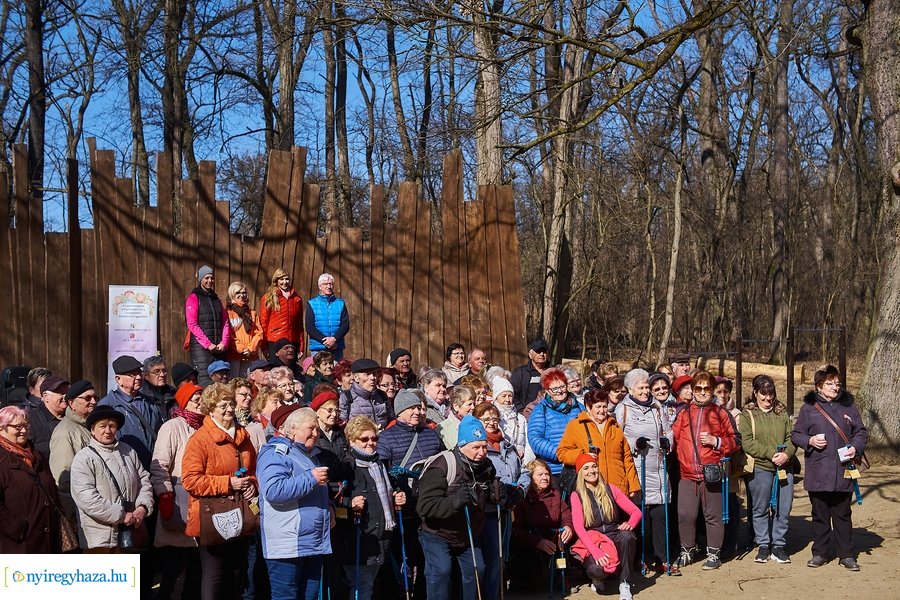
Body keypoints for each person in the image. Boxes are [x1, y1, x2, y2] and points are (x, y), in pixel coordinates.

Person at [181, 383, 259, 600]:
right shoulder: (200, 440)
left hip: (241, 513)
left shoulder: (243, 436)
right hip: (211, 515)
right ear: (210, 409)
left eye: (231, 404)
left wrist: (252, 484)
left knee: (237, 574)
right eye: (223, 405)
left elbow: (253, 471)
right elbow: (191, 481)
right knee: (214, 576)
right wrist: (228, 483)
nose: (229, 409)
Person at [791, 365, 869, 571]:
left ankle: (846, 554)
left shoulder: (848, 407)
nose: (835, 387)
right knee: (820, 515)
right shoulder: (808, 408)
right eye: (829, 383)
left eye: (837, 383)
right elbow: (796, 434)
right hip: (818, 472)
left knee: (843, 515)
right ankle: (820, 553)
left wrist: (855, 447)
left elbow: (861, 431)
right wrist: (810, 440)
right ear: (818, 387)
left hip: (844, 470)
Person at [417, 415, 500, 600]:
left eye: (484, 446)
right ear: (462, 446)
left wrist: (501, 495)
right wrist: (453, 502)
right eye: (475, 447)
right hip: (437, 532)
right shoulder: (442, 465)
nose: (481, 452)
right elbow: (424, 507)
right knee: (441, 571)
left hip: (468, 532)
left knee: (477, 569)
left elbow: (488, 499)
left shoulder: (486, 466)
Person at [257, 406, 331, 600]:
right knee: (286, 596)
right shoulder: (275, 453)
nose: (315, 434)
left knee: (310, 595)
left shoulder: (307, 454)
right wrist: (311, 478)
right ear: (292, 429)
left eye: (317, 429)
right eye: (310, 428)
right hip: (287, 544)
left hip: (312, 542)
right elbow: (274, 491)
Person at [377, 389, 442, 600]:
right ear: (400, 411)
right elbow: (383, 472)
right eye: (411, 408)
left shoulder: (431, 435)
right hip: (402, 510)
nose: (417, 412)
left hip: (428, 508)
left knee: (425, 560)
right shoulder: (386, 438)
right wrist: (396, 489)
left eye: (419, 408)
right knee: (398, 558)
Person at [335, 416, 406, 600]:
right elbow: (334, 500)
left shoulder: (379, 463)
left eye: (374, 438)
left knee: (368, 584)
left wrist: (395, 497)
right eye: (364, 439)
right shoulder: (346, 466)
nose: (371, 443)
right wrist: (349, 504)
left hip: (380, 534)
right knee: (362, 585)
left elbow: (385, 492)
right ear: (352, 440)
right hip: (357, 537)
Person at [672, 371, 737, 571]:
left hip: (711, 473)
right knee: (685, 514)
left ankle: (714, 552)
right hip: (687, 473)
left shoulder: (720, 413)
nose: (701, 392)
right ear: (692, 390)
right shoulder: (683, 413)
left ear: (711, 390)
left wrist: (716, 442)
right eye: (697, 388)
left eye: (706, 388)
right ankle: (687, 550)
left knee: (713, 515)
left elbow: (735, 441)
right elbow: (674, 436)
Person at [616, 369, 678, 574]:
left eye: (646, 387)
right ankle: (640, 558)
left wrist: (667, 440)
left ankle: (663, 558)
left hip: (658, 468)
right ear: (630, 389)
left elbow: (668, 429)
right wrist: (634, 443)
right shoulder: (623, 409)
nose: (645, 391)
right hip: (636, 468)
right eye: (640, 388)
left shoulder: (656, 407)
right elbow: (617, 437)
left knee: (660, 516)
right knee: (640, 517)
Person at [70, 405, 154, 552]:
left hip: (130, 531)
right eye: (102, 426)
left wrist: (143, 506)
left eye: (112, 426)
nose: (107, 431)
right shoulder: (84, 458)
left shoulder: (128, 451)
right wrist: (121, 515)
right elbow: (86, 497)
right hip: (100, 537)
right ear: (92, 429)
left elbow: (144, 480)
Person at [150, 383, 203, 599]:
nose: (200, 404)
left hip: (201, 502)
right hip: (179, 499)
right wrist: (165, 495)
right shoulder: (172, 427)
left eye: (202, 399)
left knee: (197, 564)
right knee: (175, 562)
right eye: (195, 399)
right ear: (184, 402)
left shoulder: (206, 426)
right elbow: (159, 464)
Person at [740, 374, 796, 564]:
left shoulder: (782, 413)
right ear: (755, 393)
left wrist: (786, 454)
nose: (767, 398)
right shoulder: (747, 415)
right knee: (760, 507)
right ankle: (763, 544)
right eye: (763, 393)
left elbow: (792, 438)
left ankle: (779, 545)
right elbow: (747, 442)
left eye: (770, 393)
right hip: (761, 467)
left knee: (783, 507)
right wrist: (771, 453)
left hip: (784, 467)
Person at [474, 403, 528, 600]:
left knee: (501, 557)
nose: (491, 423)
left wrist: (521, 488)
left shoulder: (508, 444)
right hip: (488, 511)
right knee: (491, 558)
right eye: (486, 419)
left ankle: (496, 593)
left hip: (507, 509)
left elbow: (524, 471)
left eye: (494, 419)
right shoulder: (477, 448)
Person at [569, 454, 641, 600]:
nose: (591, 471)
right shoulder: (576, 495)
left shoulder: (611, 489)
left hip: (614, 535)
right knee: (596, 569)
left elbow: (636, 512)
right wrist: (596, 552)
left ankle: (625, 582)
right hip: (594, 541)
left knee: (628, 536)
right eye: (586, 468)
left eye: (594, 466)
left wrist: (629, 524)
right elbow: (579, 528)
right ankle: (598, 578)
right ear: (580, 473)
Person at [0, 405, 62, 553]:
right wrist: (17, 528)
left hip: (46, 540)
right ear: (2, 428)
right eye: (17, 426)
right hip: (17, 544)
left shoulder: (36, 455)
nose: (23, 430)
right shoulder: (2, 460)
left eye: (26, 425)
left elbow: (51, 487)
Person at [557, 389, 640, 496]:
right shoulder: (575, 426)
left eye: (604, 406)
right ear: (588, 407)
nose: (602, 410)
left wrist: (633, 485)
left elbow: (627, 457)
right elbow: (562, 453)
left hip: (618, 488)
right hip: (592, 488)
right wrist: (582, 456)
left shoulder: (615, 426)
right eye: (598, 407)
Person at [510, 459, 573, 589]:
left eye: (547, 474)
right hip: (530, 543)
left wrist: (568, 527)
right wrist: (538, 542)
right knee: (531, 580)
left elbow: (566, 514)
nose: (545, 477)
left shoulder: (555, 494)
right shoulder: (523, 497)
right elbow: (517, 531)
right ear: (531, 478)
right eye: (540, 475)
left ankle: (561, 577)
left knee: (563, 544)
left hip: (553, 539)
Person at [99, 355, 166, 471]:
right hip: (125, 469)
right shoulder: (107, 406)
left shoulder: (149, 402)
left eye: (139, 372)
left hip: (153, 468)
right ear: (118, 379)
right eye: (132, 375)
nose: (139, 377)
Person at [49, 380, 98, 523]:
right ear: (72, 404)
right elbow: (63, 478)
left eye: (95, 397)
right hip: (81, 512)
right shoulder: (65, 432)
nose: (93, 401)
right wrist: (72, 516)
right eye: (87, 398)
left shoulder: (92, 425)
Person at [526, 368, 580, 481]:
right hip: (554, 469)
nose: (560, 391)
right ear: (547, 391)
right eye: (555, 389)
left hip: (579, 466)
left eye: (562, 387)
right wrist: (561, 454)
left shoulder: (579, 407)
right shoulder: (541, 410)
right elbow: (535, 439)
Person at [186, 265, 231, 386]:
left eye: (211, 278)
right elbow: (192, 324)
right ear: (201, 279)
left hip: (218, 347)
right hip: (201, 348)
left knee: (222, 379)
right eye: (206, 278)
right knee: (205, 379)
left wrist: (224, 342)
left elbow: (225, 322)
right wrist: (208, 344)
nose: (209, 281)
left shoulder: (216, 299)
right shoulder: (194, 298)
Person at [259, 268, 305, 355]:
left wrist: (301, 346)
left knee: (290, 368)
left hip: (292, 341)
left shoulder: (297, 299)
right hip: (275, 341)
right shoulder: (268, 297)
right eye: (281, 279)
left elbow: (299, 325)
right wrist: (264, 346)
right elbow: (263, 323)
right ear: (276, 280)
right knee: (277, 368)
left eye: (287, 279)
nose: (285, 282)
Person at [306, 273, 350, 360]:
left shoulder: (340, 303)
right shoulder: (312, 303)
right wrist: (326, 341)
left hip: (336, 347)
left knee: (337, 372)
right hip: (318, 348)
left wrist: (334, 339)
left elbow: (345, 325)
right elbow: (309, 327)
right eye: (325, 284)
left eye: (331, 284)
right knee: (319, 373)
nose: (328, 286)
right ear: (320, 286)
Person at [226, 281, 263, 377]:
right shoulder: (228, 313)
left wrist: (250, 348)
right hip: (234, 355)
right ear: (232, 294)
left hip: (250, 355)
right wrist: (241, 348)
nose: (241, 295)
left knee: (247, 383)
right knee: (234, 383)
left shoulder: (252, 313)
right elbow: (228, 334)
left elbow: (259, 333)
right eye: (238, 293)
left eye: (244, 293)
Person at [342, 358, 393, 428]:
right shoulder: (346, 397)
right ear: (356, 377)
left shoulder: (382, 395)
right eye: (367, 374)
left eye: (374, 373)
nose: (373, 377)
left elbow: (391, 421)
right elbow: (342, 426)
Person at [28, 375, 69, 461]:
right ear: (46, 397)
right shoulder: (31, 420)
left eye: (67, 393)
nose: (65, 397)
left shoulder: (72, 419)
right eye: (60, 393)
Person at [492, 377, 527, 459]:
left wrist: (526, 463)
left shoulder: (520, 418)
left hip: (521, 463)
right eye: (503, 396)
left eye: (510, 396)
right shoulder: (492, 418)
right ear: (496, 397)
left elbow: (528, 444)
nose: (507, 399)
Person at [511, 339, 550, 412]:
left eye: (544, 351)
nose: (541, 354)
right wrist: (522, 410)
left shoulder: (554, 372)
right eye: (538, 351)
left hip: (550, 414)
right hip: (525, 415)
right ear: (530, 354)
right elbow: (513, 395)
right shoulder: (519, 373)